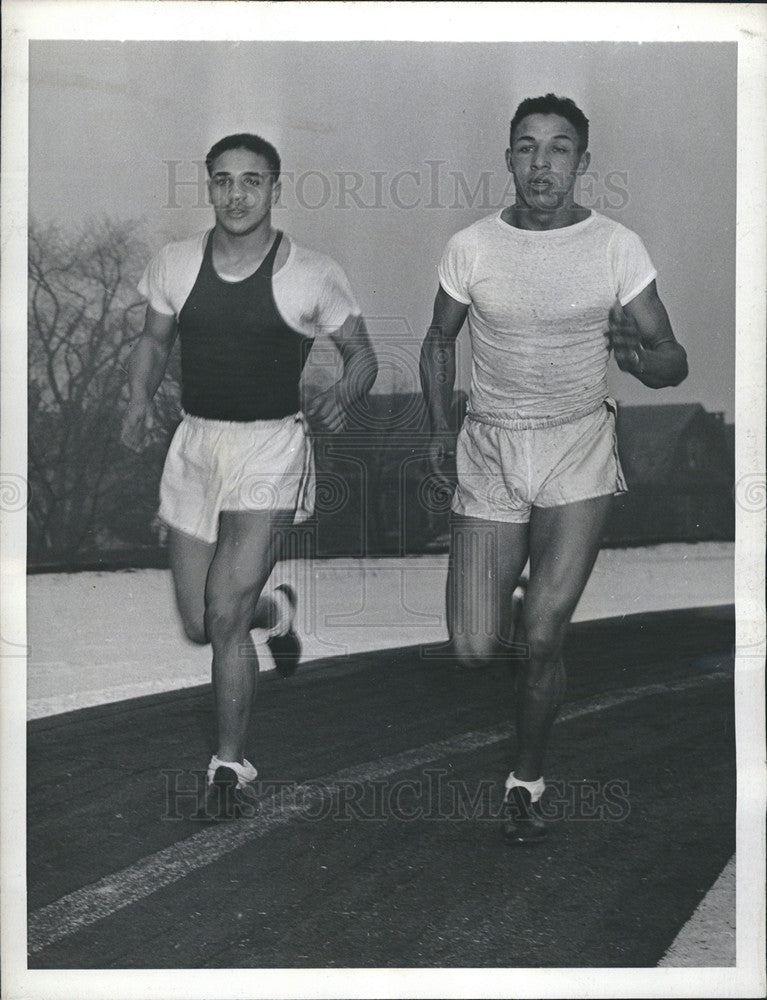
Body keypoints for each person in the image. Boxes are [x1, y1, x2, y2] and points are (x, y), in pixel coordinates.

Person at [419, 94, 688, 844]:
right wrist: (440, 429)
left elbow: (672, 356)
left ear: (581, 162)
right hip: (489, 450)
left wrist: (640, 360)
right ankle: (513, 606)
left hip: (575, 449)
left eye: (559, 148)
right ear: (508, 158)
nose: (542, 164)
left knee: (540, 634)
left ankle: (525, 781)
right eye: (528, 148)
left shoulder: (616, 248)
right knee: (475, 646)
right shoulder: (469, 246)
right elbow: (438, 342)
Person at [122, 133, 376, 819]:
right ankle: (277, 611)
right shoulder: (175, 264)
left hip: (270, 449)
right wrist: (140, 398)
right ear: (209, 187)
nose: (237, 195)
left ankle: (229, 768)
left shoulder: (310, 272)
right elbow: (152, 339)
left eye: (251, 181)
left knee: (223, 615)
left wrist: (342, 394)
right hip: (196, 447)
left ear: (273, 188)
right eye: (224, 181)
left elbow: (362, 355)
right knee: (199, 622)